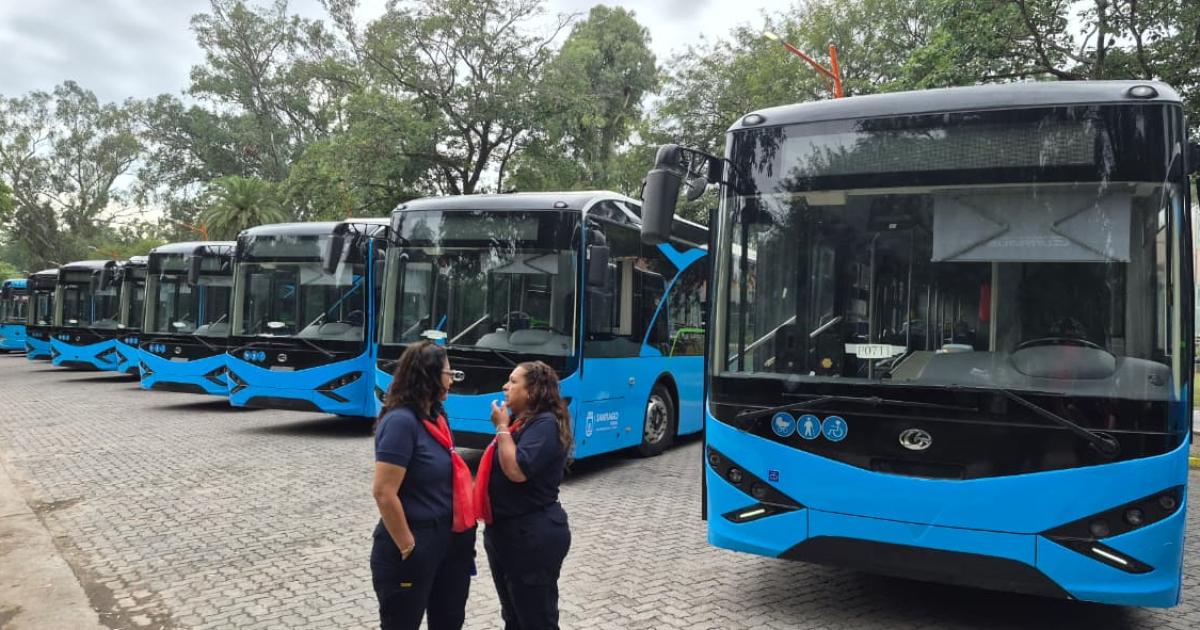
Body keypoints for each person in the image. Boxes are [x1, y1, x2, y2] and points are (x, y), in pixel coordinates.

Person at [370, 341, 476, 630]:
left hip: (448, 540)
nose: (451, 380)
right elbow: (383, 492)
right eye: (448, 373)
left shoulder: (437, 417)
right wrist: (408, 547)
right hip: (413, 540)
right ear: (428, 376)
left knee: (449, 621)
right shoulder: (401, 422)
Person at [475, 361, 573, 630]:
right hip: (505, 532)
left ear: (532, 391)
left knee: (536, 619)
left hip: (530, 536)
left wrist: (501, 428)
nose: (505, 387)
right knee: (514, 616)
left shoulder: (545, 424)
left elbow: (517, 470)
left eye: (513, 381)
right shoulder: (521, 423)